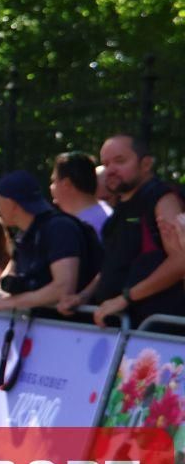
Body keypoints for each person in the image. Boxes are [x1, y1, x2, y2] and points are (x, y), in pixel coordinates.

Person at [63, 135, 185, 326]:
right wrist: (83, 296)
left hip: (154, 330)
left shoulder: (162, 199)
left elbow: (180, 261)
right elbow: (112, 265)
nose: (110, 169)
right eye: (106, 163)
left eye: (119, 161)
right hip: (121, 329)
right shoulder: (120, 207)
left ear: (146, 164)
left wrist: (126, 298)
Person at [0, 170, 102, 313]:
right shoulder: (25, 234)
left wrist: (11, 302)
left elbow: (63, 288)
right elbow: (9, 274)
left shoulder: (60, 229)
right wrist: (1, 292)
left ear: (11, 204)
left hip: (66, 325)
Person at [50, 151, 111, 237]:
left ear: (66, 184)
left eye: (53, 181)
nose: (51, 187)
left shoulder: (78, 228)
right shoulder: (108, 215)